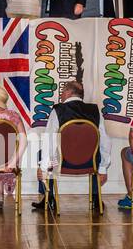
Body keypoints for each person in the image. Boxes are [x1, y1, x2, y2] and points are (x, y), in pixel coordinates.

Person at [35, 80, 110, 212]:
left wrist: (43, 168)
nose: (61, 94)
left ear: (69, 93)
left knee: (42, 153)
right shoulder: (95, 110)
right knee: (97, 150)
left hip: (62, 163)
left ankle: (49, 198)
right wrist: (103, 168)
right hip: (90, 163)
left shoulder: (58, 110)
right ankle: (96, 198)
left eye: (63, 91)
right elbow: (104, 141)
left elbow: (49, 141)